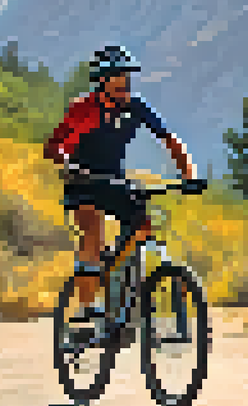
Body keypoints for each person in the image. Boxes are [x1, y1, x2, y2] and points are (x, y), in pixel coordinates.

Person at [44, 45, 196, 338]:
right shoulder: (83, 109)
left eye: (127, 74)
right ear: (102, 80)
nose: (125, 80)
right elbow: (54, 147)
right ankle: (88, 309)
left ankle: (121, 297)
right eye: (117, 75)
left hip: (114, 181)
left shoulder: (136, 107)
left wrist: (189, 176)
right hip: (83, 182)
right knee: (93, 230)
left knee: (141, 227)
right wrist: (67, 164)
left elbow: (170, 140)